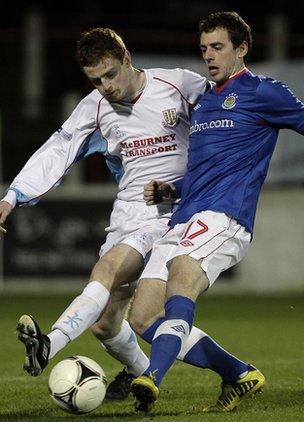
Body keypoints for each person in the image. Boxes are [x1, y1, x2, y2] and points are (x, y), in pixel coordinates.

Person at [0, 27, 259, 403]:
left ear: (127, 60)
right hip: (128, 214)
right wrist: (11, 198)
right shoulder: (95, 108)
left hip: (171, 213)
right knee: (107, 325)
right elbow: (57, 150)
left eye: (109, 74)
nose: (104, 86)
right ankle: (162, 376)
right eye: (95, 80)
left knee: (107, 273)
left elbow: (227, 114)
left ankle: (49, 344)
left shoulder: (179, 85)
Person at [130, 10, 304, 413]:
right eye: (204, 48)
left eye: (218, 47)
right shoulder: (205, 101)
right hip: (184, 215)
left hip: (225, 216)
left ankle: (150, 378)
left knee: (181, 277)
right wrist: (171, 190)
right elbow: (205, 171)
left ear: (242, 49)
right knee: (141, 317)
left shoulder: (264, 91)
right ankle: (239, 374)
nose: (209, 55)